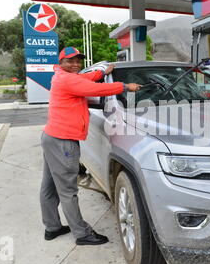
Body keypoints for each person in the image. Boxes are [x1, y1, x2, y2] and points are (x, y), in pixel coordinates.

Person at [40, 47, 141, 246]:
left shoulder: (63, 76)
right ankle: (82, 234)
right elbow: (95, 89)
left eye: (78, 60)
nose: (76, 64)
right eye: (70, 61)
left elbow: (87, 81)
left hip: (53, 137)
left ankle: (52, 227)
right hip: (63, 141)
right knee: (68, 190)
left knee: (49, 185)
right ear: (61, 62)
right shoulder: (67, 79)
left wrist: (102, 73)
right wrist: (125, 86)